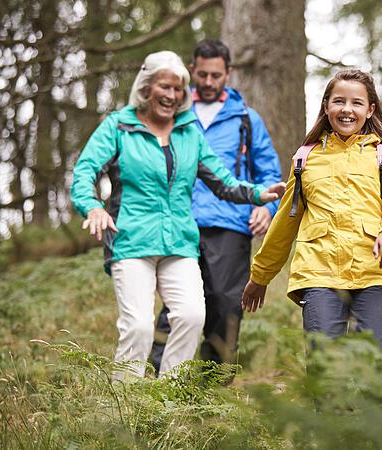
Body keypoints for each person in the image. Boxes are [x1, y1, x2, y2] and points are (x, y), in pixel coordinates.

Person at [70, 50, 284, 378]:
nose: (171, 96)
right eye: (164, 87)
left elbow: (223, 182)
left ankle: (168, 397)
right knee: (140, 326)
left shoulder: (188, 133)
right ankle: (125, 407)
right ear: (146, 88)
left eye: (177, 89)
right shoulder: (119, 126)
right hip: (131, 240)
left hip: (180, 243)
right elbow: (84, 171)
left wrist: (259, 194)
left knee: (191, 316)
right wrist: (93, 206)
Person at [241, 70, 382, 351]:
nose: (347, 109)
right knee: (324, 357)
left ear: (370, 110)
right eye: (339, 101)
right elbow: (286, 222)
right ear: (326, 106)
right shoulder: (305, 159)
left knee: (377, 355)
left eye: (357, 103)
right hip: (319, 273)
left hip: (373, 272)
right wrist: (260, 275)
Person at [150, 40, 282, 376]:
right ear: (192, 70)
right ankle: (157, 380)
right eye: (203, 74)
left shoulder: (247, 120)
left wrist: (268, 209)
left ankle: (212, 389)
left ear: (229, 73)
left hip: (231, 224)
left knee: (224, 305)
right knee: (178, 305)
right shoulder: (173, 113)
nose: (209, 82)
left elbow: (270, 175)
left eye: (216, 75)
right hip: (180, 222)